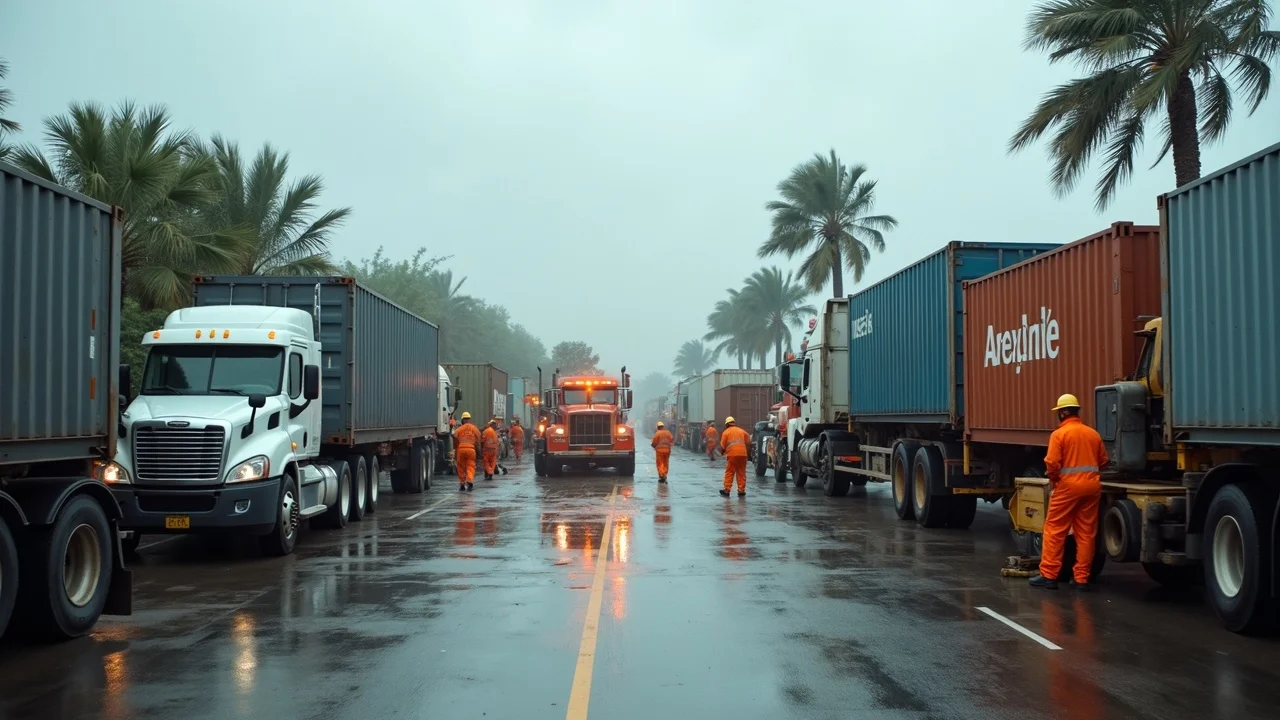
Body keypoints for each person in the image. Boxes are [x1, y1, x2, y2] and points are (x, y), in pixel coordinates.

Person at [1030, 394, 1109, 591]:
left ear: (1064, 412)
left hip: (1068, 488)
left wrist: (1055, 480)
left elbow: (1052, 463)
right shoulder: (1093, 434)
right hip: (1092, 488)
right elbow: (1104, 461)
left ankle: (1049, 575)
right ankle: (1082, 579)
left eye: (1059, 412)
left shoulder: (1059, 435)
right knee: (1086, 533)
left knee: (1055, 530)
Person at [718, 416, 750, 497]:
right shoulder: (741, 431)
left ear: (727, 424)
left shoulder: (726, 432)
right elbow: (748, 441)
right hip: (743, 454)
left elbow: (722, 446)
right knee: (741, 472)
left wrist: (722, 452)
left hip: (732, 455)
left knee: (730, 472)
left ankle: (727, 490)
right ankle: (741, 490)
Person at [453, 412, 481, 491]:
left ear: (462, 419)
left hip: (461, 449)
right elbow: (479, 438)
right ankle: (469, 480)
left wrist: (456, 448)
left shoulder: (459, 429)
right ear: (469, 419)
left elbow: (454, 436)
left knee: (461, 467)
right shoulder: (474, 428)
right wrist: (479, 452)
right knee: (470, 466)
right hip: (471, 450)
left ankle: (462, 483)